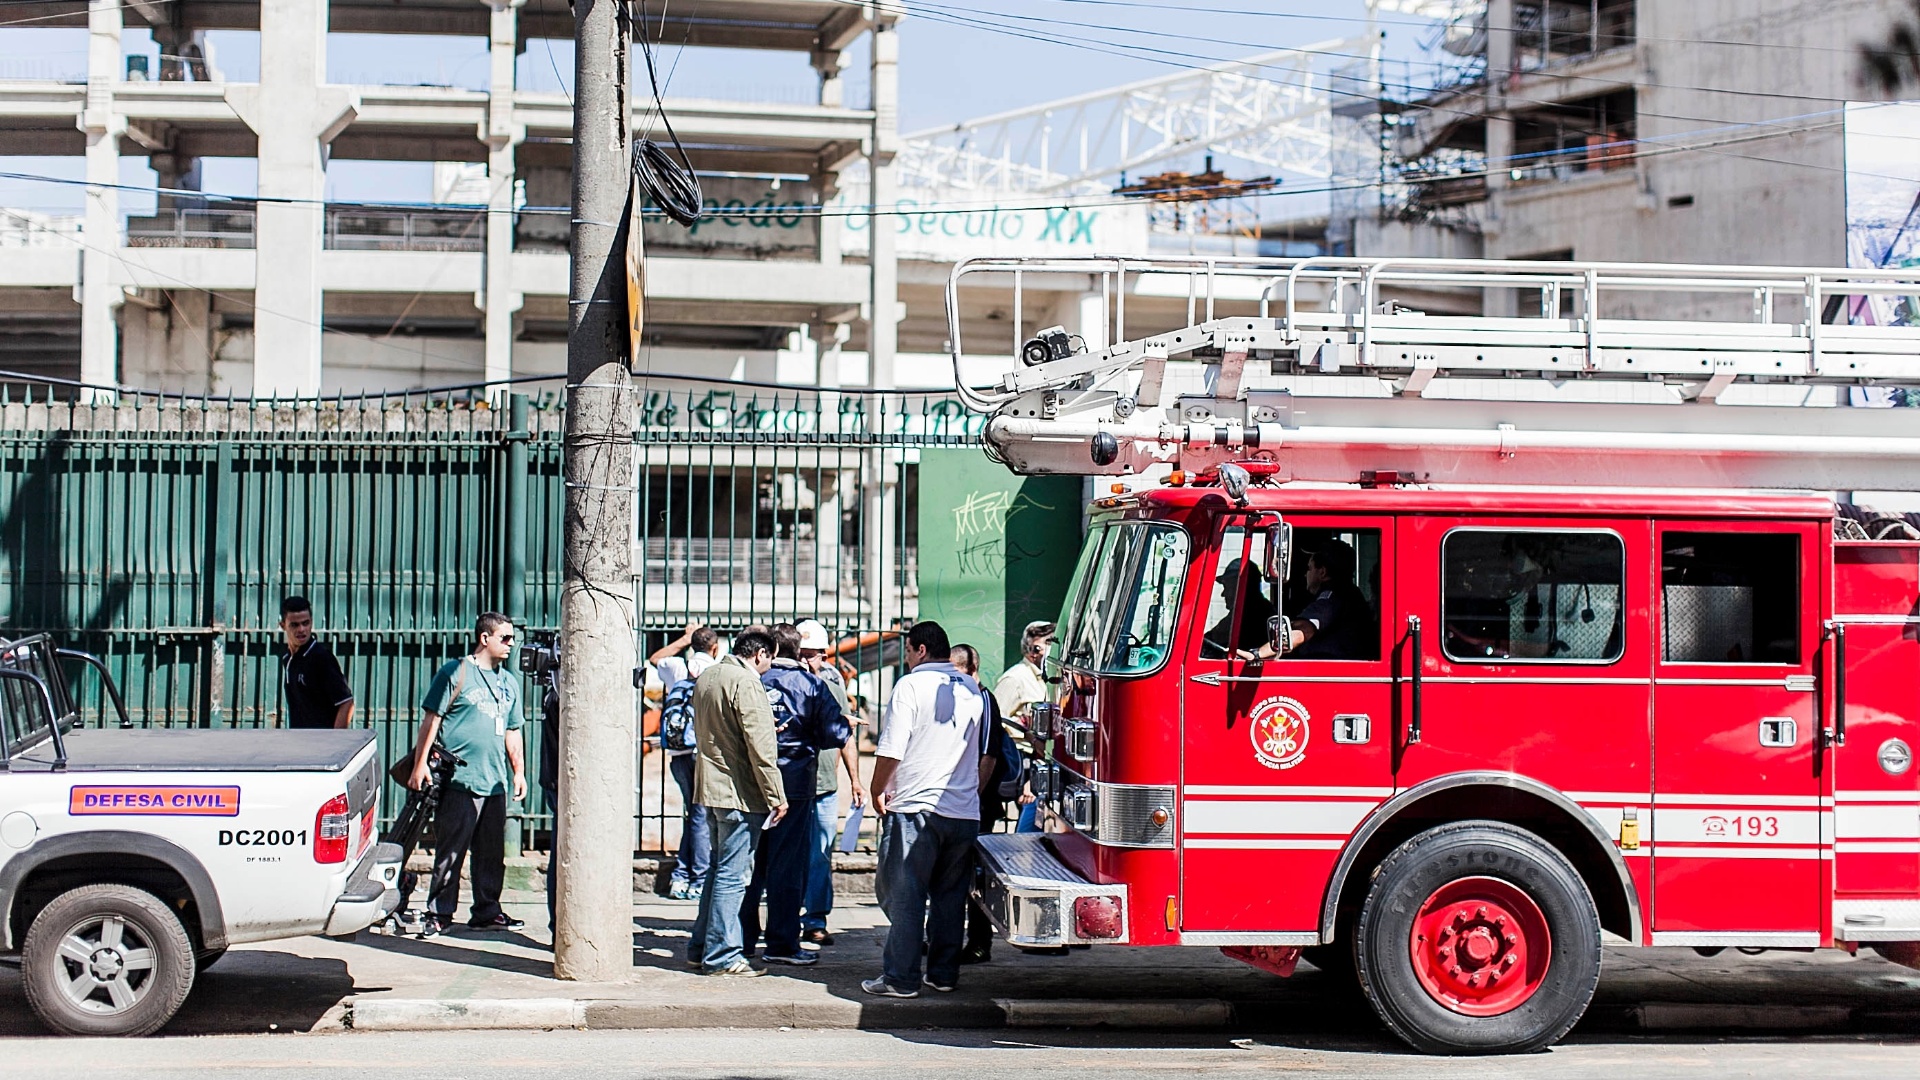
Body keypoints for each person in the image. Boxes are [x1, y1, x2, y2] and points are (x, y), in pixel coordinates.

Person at [862, 621, 989, 999]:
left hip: (917, 806)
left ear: (920, 650)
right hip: (963, 810)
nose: (905, 658)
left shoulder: (910, 685)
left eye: (907, 651)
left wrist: (877, 788)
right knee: (950, 897)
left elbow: (891, 749)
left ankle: (901, 978)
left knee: (906, 894)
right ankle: (944, 973)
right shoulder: (972, 689)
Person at [407, 612, 527, 938]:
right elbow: (431, 720)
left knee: (491, 853)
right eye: (505, 638)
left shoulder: (508, 683)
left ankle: (487, 910)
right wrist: (420, 765)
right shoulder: (456, 672)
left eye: (513, 639)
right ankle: (440, 912)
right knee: (452, 850)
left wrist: (519, 772)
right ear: (485, 638)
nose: (511, 645)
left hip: (494, 780)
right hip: (460, 779)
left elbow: (512, 730)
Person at [739, 623, 850, 966]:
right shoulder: (811, 685)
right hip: (797, 784)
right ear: (798, 650)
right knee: (787, 866)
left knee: (750, 864)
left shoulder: (752, 680)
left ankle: (743, 939)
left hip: (754, 782)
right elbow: (835, 733)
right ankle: (782, 944)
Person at [685, 630, 787, 977]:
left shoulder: (708, 675)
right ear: (759, 654)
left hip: (710, 788)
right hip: (740, 793)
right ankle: (722, 954)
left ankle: (701, 947)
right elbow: (761, 745)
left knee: (717, 871)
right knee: (733, 876)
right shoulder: (746, 682)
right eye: (770, 658)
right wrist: (776, 795)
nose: (769, 665)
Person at [797, 619, 866, 947]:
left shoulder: (832, 687)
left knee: (820, 854)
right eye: (804, 654)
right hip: (789, 786)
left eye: (815, 655)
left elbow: (845, 737)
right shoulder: (779, 683)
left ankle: (815, 920)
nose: (809, 661)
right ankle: (784, 916)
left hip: (823, 785)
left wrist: (855, 780)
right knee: (786, 854)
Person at [952, 643, 1014, 965]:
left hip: (976, 805)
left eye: (957, 672)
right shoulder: (961, 699)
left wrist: (973, 797)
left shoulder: (985, 700)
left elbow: (988, 755)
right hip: (962, 802)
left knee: (974, 876)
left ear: (972, 670)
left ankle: (978, 942)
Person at [659, 624, 721, 901]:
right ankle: (698, 878)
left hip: (677, 753)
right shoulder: (717, 671)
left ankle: (681, 876)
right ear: (715, 648)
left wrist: (683, 640)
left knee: (693, 814)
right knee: (700, 817)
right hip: (703, 753)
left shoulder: (676, 668)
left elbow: (655, 659)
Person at [993, 621, 1052, 833]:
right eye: (1047, 645)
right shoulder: (1016, 678)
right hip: (1022, 760)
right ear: (1034, 649)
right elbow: (996, 720)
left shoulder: (1048, 677)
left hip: (1043, 757)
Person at [278, 596, 354, 729]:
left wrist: (335, 740)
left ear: (311, 622)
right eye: (294, 625)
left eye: (305, 623)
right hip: (300, 741)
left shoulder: (321, 658)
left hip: (322, 743)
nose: (301, 629)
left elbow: (346, 702)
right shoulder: (288, 659)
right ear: (283, 625)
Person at [1203, 558, 1276, 657]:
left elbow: (1216, 639)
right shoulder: (1242, 613)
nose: (1223, 594)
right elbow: (1210, 640)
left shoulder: (1254, 615)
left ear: (1241, 587)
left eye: (1227, 587)